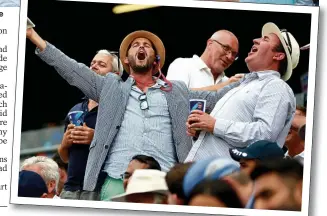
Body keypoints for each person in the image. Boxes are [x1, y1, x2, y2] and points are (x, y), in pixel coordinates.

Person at [26, 28, 242, 201]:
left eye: (146, 45)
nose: (141, 47)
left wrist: (250, 79)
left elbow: (215, 100)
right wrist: (33, 35)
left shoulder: (177, 91)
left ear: (155, 60)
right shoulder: (110, 87)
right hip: (117, 181)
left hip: (164, 179)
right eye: (136, 45)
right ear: (127, 61)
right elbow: (71, 69)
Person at [185, 22, 299, 162]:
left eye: (265, 39)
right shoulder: (242, 86)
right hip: (200, 169)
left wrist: (214, 125)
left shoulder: (277, 86)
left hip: (222, 177)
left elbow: (264, 136)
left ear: (279, 56)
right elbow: (219, 132)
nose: (255, 40)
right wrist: (201, 130)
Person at [57, 49, 123, 200]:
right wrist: (64, 144)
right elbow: (65, 158)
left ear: (115, 75)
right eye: (92, 63)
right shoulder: (75, 109)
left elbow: (125, 149)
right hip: (70, 189)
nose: (93, 66)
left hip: (100, 188)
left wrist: (97, 139)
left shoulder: (120, 107)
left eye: (101, 64)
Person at [167, 30, 239, 88]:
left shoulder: (228, 83)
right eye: (225, 48)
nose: (229, 57)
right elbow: (175, 99)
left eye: (234, 54)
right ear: (210, 44)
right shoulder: (182, 65)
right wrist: (221, 87)